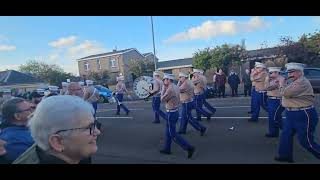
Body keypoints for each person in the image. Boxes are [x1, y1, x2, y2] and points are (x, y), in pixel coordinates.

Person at [13, 95, 101, 164]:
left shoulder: (76, 156)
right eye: (89, 128)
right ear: (57, 142)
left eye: (95, 125)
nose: (98, 132)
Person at [274, 62, 320, 163]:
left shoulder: (302, 82)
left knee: (306, 141)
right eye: (288, 72)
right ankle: (285, 156)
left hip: (303, 114)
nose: (289, 74)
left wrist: (281, 83)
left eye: (292, 72)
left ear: (300, 72)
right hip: (291, 113)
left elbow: (286, 93)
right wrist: (281, 82)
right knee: (286, 135)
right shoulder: (294, 81)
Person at [160, 73, 195, 158]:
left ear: (168, 80)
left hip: (171, 113)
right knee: (168, 132)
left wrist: (163, 89)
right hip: (175, 111)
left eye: (165, 79)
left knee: (172, 134)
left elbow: (162, 99)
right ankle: (167, 149)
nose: (164, 81)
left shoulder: (170, 89)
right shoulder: (175, 86)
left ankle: (189, 147)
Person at [0, 98, 34, 163]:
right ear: (17, 116)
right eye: (29, 110)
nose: (33, 111)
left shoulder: (23, 129)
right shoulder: (13, 141)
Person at [264, 67, 285, 138]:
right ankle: (273, 132)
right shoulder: (273, 79)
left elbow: (267, 88)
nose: (269, 74)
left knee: (275, 117)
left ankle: (287, 130)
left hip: (277, 100)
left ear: (276, 73)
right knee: (273, 117)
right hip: (271, 99)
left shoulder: (279, 80)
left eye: (271, 73)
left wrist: (266, 80)